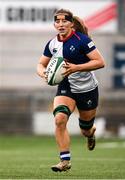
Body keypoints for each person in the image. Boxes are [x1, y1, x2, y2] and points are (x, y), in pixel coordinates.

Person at [37, 9, 105, 172]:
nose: (60, 24)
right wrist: (44, 74)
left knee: (85, 129)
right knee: (59, 119)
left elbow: (100, 62)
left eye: (64, 21)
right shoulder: (52, 44)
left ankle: (90, 134)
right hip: (66, 86)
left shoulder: (82, 40)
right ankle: (64, 161)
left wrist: (76, 68)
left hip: (87, 89)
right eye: (57, 21)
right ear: (54, 24)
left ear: (71, 23)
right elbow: (40, 64)